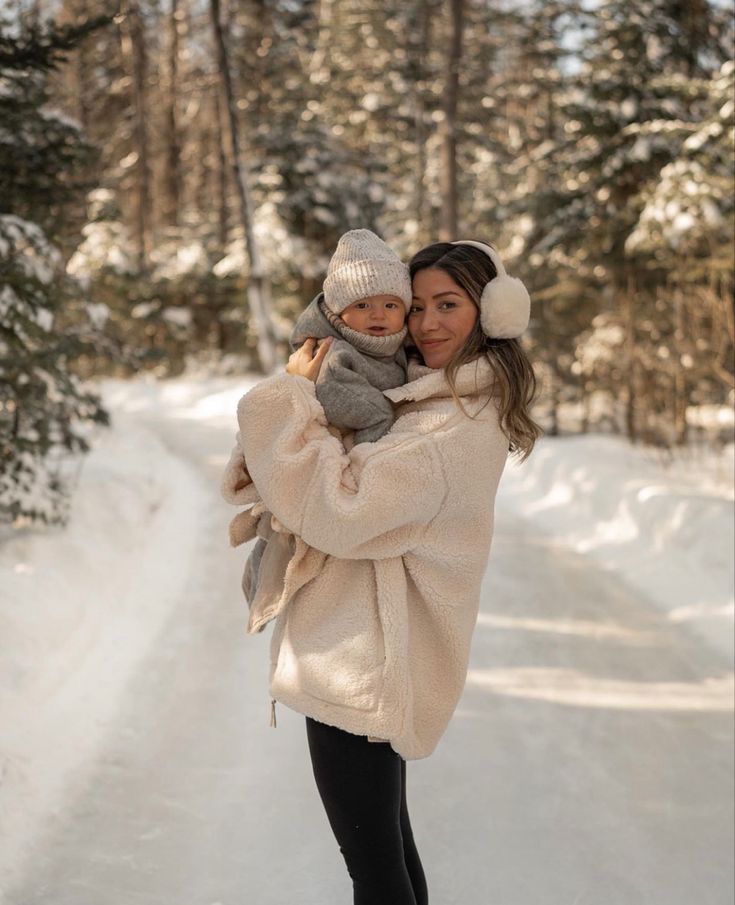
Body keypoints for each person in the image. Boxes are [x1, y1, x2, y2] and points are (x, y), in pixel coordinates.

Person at [221, 238, 542, 904]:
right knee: (388, 852)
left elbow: (338, 508)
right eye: (416, 305)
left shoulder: (451, 427)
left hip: (365, 661)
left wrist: (287, 398)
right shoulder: (429, 399)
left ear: (491, 312)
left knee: (374, 868)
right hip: (371, 653)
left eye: (448, 304)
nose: (426, 323)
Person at [239, 228, 413, 635]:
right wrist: (382, 420)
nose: (378, 315)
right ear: (337, 312)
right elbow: (337, 396)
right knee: (285, 540)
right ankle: (260, 591)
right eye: (363, 304)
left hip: (329, 459)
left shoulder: (392, 347)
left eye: (391, 304)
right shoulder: (334, 351)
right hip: (328, 450)